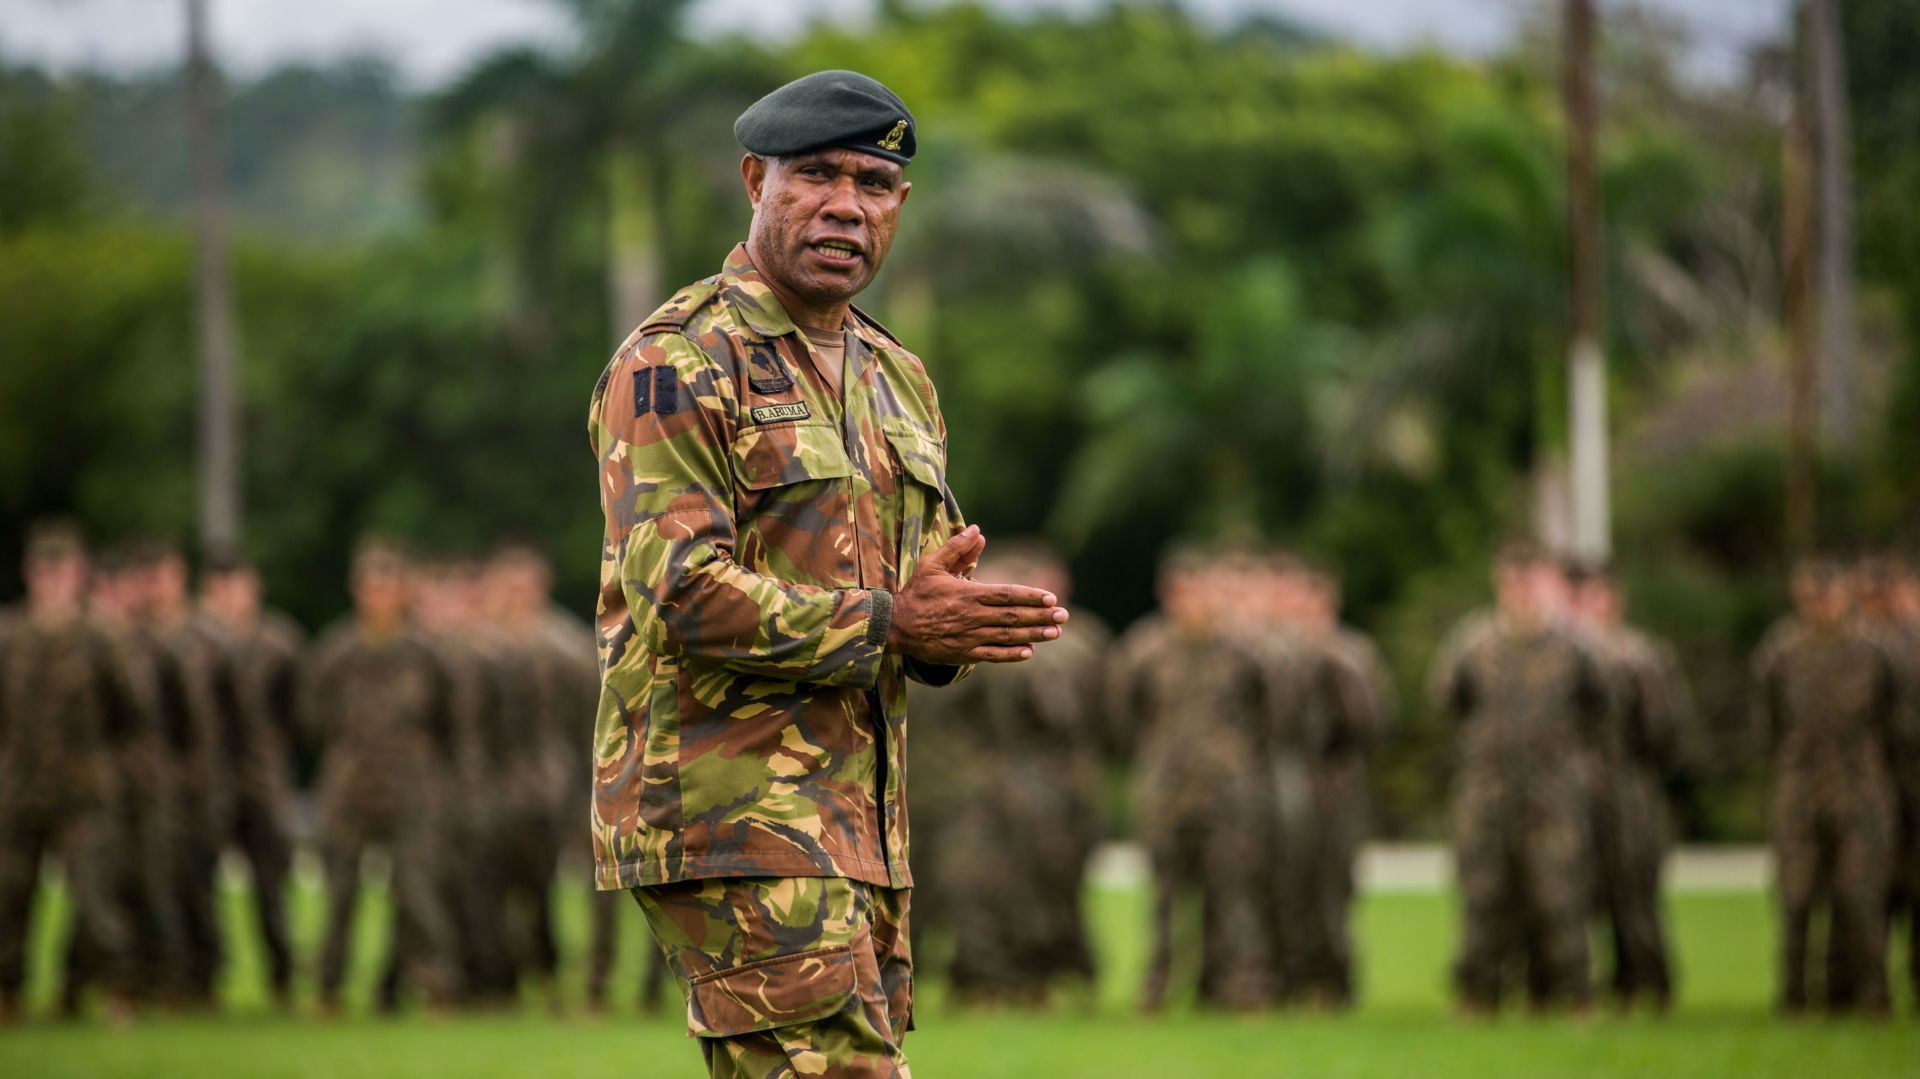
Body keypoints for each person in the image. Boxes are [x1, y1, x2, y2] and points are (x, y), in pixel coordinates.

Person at [586, 70, 1068, 1077]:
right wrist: (895, 620)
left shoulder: (896, 378)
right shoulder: (680, 360)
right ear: (756, 180)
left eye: (876, 183)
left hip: (860, 823)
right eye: (817, 176)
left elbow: (910, 607)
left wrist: (947, 629)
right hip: (733, 806)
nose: (848, 204)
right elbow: (678, 592)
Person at [1428, 542, 1606, 1014]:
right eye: (1514, 580)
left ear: (1549, 583)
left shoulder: (1575, 648)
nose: (1522, 590)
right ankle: (1479, 995)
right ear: (1499, 583)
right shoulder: (1473, 644)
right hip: (1487, 792)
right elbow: (1449, 704)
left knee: (1559, 895)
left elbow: (1600, 711)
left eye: (1532, 579)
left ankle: (1570, 995)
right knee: (1484, 894)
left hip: (1553, 794)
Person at [302, 539, 463, 1015]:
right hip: (349, 786)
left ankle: (432, 988)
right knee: (339, 893)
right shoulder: (336, 652)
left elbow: (448, 721)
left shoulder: (425, 656)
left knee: (417, 892)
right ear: (357, 590)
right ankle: (328, 990)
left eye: (389, 586)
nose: (380, 596)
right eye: (372, 586)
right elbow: (313, 719)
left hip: (411, 786)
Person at [1109, 545, 1272, 1012]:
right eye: (1185, 591)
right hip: (1165, 794)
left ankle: (1236, 990)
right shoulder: (1144, 651)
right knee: (1161, 900)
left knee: (1234, 896)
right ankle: (1156, 992)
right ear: (1168, 594)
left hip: (1228, 793)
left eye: (1204, 591)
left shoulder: (1244, 653)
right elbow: (1122, 717)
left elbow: (1267, 716)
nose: (1195, 602)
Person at [0, 523, 149, 1024]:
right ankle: (9, 993)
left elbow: (130, 712)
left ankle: (106, 990)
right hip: (19, 788)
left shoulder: (102, 640)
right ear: (29, 574)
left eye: (62, 571)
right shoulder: (8, 637)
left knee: (96, 898)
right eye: (45, 570)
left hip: (85, 790)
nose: (54, 581)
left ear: (79, 574)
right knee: (9, 895)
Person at [1752, 558, 1899, 1015]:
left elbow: (1896, 722)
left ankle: (1868, 995)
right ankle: (1794, 998)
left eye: (1828, 594)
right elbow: (1769, 723)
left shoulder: (1876, 652)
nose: (1821, 605)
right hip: (1800, 787)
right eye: (1812, 595)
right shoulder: (1780, 652)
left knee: (1860, 894)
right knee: (1794, 896)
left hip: (1860, 788)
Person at [1566, 564, 1687, 1013]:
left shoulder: (1640, 655)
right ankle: (1580, 985)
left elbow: (1664, 729)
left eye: (1596, 596)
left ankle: (1647, 982)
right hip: (1572, 792)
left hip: (1627, 787)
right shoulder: (1561, 654)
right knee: (1573, 894)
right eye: (1578, 597)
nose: (1587, 607)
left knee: (1633, 890)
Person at [197, 549, 305, 1009]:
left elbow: (296, 717)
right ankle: (203, 978)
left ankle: (282, 977)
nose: (229, 597)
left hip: (263, 779)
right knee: (198, 882)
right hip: (206, 779)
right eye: (220, 588)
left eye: (237, 586)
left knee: (271, 883)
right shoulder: (190, 644)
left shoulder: (280, 643)